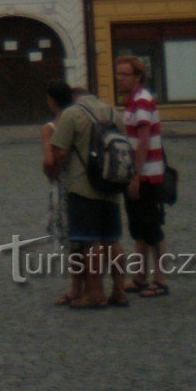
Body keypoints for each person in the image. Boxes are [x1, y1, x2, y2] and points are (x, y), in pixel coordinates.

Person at [48, 79, 126, 309]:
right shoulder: (114, 112)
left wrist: (56, 172)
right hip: (111, 183)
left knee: (89, 242)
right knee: (113, 240)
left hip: (83, 186)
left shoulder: (72, 114)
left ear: (74, 98)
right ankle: (120, 291)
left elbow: (60, 152)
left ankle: (96, 293)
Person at [115, 55, 168, 297]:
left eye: (125, 74)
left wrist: (136, 176)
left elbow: (144, 141)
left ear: (138, 76)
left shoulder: (143, 101)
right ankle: (140, 277)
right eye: (119, 73)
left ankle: (160, 280)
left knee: (151, 227)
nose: (120, 78)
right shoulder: (132, 101)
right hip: (138, 174)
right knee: (139, 228)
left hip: (147, 175)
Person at [40, 81, 81, 305]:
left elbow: (49, 160)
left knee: (71, 237)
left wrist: (50, 173)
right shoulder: (79, 119)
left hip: (64, 185)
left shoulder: (51, 127)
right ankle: (98, 285)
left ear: (52, 101)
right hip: (84, 182)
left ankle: (76, 288)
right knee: (88, 237)